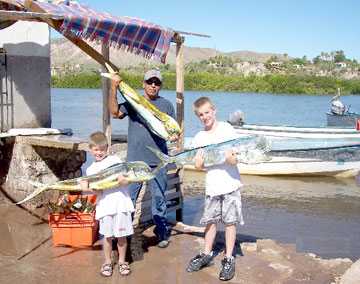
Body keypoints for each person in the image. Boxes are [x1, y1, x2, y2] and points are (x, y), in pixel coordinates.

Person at [108, 69, 178, 248]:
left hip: (159, 162)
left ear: (160, 86)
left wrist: (174, 136)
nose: (153, 85)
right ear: (143, 84)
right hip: (134, 163)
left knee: (159, 199)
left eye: (157, 83)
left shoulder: (167, 105)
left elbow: (173, 130)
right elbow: (114, 113)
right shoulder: (133, 102)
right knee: (129, 199)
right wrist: (114, 88)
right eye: (150, 82)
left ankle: (161, 232)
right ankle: (125, 232)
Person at [186, 97, 244, 281]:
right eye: (200, 115)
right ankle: (207, 254)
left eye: (207, 113)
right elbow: (198, 164)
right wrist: (198, 163)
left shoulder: (227, 129)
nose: (205, 117)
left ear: (214, 110)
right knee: (210, 222)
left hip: (230, 185)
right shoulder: (199, 137)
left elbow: (236, 159)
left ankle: (228, 258)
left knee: (229, 223)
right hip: (212, 186)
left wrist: (230, 159)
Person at [80, 132, 134, 277]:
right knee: (107, 236)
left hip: (120, 204)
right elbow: (95, 190)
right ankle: (107, 262)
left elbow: (127, 179)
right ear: (90, 149)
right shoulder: (90, 170)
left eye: (102, 150)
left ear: (107, 149)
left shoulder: (115, 160)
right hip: (105, 207)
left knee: (121, 236)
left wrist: (125, 182)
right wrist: (86, 189)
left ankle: (122, 261)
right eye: (96, 150)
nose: (99, 153)